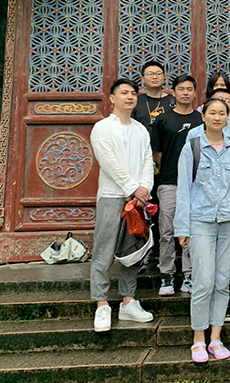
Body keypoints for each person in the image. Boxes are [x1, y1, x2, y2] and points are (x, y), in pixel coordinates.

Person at [175, 98, 230, 363]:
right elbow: (183, 188)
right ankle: (198, 338)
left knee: (222, 281)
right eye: (212, 113)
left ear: (228, 117)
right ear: (203, 116)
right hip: (201, 220)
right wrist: (182, 227)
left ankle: (216, 337)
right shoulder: (192, 147)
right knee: (203, 282)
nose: (217, 117)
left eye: (222, 113)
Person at [89, 78, 155, 333]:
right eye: (124, 93)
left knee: (132, 251)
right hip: (112, 196)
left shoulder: (141, 130)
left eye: (133, 93)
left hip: (136, 200)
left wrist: (144, 189)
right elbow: (109, 163)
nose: (129, 97)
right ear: (112, 98)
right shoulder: (103, 128)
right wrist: (132, 188)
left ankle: (128, 301)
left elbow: (147, 161)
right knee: (104, 249)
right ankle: (101, 303)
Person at [151, 74, 202, 297]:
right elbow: (157, 152)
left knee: (192, 229)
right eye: (181, 89)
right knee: (167, 230)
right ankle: (167, 274)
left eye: (189, 89)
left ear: (194, 92)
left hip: (196, 183)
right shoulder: (163, 120)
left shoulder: (202, 120)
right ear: (173, 92)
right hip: (169, 181)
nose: (185, 93)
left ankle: (189, 274)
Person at [132, 60, 175, 132]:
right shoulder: (135, 101)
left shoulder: (174, 101)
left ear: (164, 77)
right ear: (143, 78)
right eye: (150, 74)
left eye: (158, 73)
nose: (154, 77)